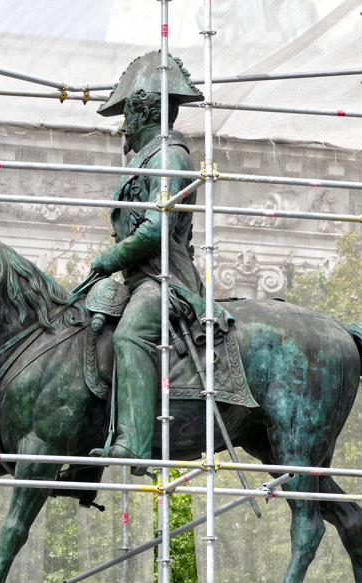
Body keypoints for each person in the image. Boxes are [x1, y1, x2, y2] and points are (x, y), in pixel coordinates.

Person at [88, 51, 207, 465]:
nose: (124, 127)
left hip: (167, 281)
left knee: (128, 335)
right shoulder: (146, 159)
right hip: (140, 278)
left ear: (144, 113)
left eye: (127, 116)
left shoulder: (171, 156)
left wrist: (112, 256)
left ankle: (135, 441)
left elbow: (155, 229)